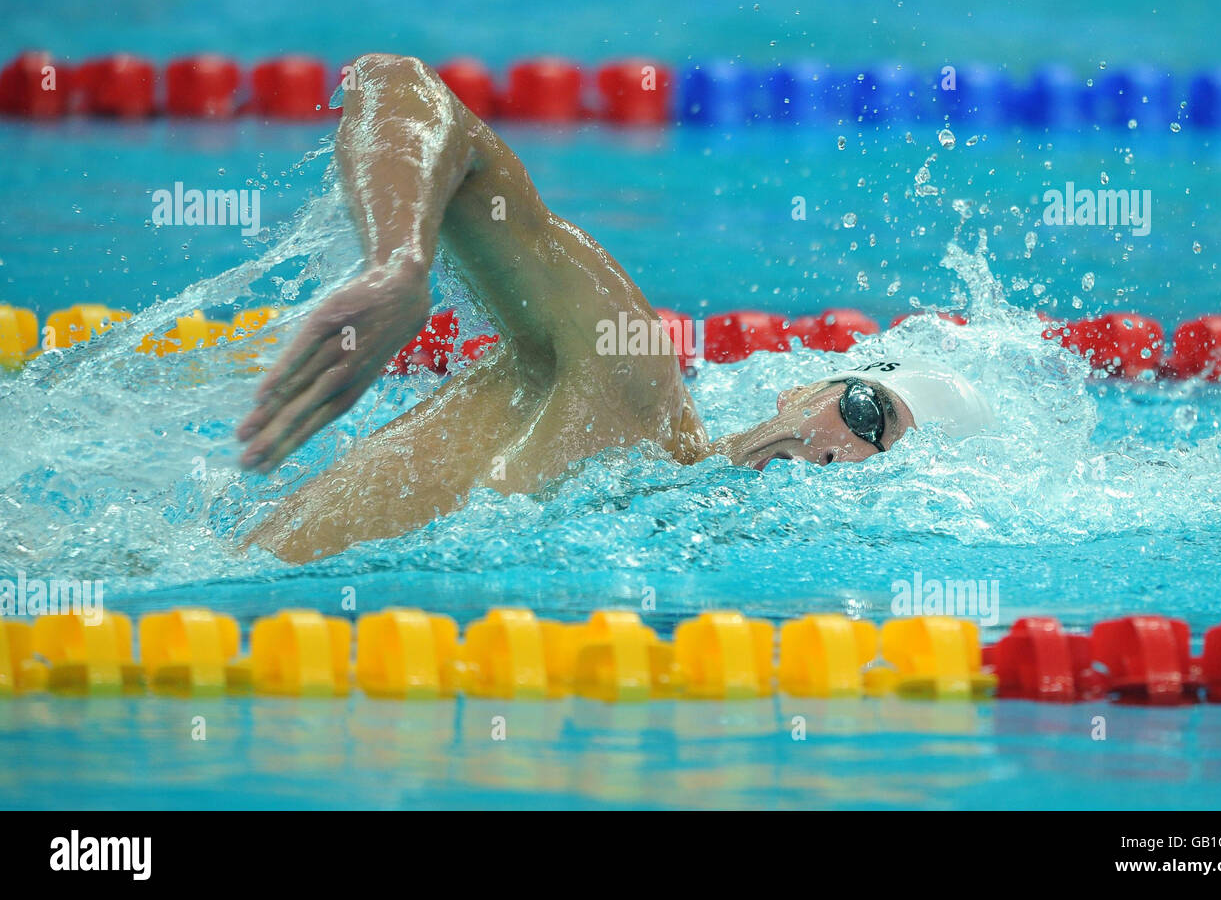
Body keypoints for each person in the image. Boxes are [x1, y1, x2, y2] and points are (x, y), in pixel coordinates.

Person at [238, 55, 992, 563]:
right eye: (867, 414)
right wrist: (399, 258)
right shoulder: (623, 375)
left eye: (884, 470)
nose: (846, 459)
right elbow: (395, 85)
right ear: (801, 388)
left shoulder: (660, 562)